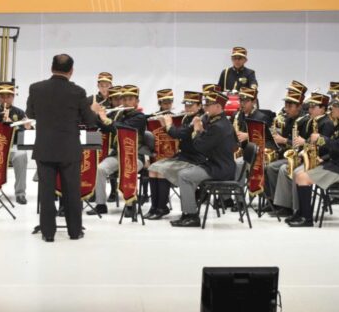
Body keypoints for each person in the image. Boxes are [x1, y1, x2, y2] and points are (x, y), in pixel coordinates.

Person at [26, 53, 100, 241]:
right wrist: (94, 110)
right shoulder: (78, 92)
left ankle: (48, 233)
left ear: (52, 68)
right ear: (71, 71)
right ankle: (74, 232)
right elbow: (89, 121)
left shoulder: (36, 88)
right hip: (69, 149)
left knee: (46, 192)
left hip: (45, 148)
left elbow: (30, 113)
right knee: (72, 192)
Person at [288, 93, 339, 227]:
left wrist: (320, 139)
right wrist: (324, 158)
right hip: (336, 164)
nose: (331, 109)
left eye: (334, 106)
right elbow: (337, 147)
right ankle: (300, 212)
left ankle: (307, 218)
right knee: (297, 174)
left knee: (303, 177)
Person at [165, 90, 237, 227]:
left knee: (185, 176)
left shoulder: (219, 126)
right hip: (217, 164)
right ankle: (190, 211)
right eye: (205, 104)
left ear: (218, 107)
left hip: (220, 168)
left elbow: (200, 147)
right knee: (188, 173)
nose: (205, 107)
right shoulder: (217, 121)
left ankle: (191, 216)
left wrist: (197, 130)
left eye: (209, 105)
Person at [89, 85, 148, 217]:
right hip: (117, 154)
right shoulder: (120, 115)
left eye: (130, 99)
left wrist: (107, 119)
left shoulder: (140, 117)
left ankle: (130, 204)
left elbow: (123, 129)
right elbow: (107, 129)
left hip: (135, 156)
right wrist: (97, 115)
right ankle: (101, 204)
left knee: (128, 168)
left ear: (136, 102)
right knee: (100, 169)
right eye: (124, 99)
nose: (126, 102)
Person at [147, 91, 205, 220]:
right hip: (183, 156)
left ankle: (162, 207)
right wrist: (164, 126)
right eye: (186, 105)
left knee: (162, 171)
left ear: (199, 106)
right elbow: (177, 133)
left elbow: (180, 134)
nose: (187, 108)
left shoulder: (199, 119)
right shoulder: (187, 118)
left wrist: (168, 125)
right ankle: (154, 206)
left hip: (195, 159)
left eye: (191, 105)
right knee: (153, 168)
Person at [0, 83, 31, 205]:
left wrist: (13, 126)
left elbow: (23, 134)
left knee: (21, 155)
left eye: (8, 96)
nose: (5, 99)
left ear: (13, 97)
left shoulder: (20, 113)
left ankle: (20, 193)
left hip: (13, 147)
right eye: (2, 97)